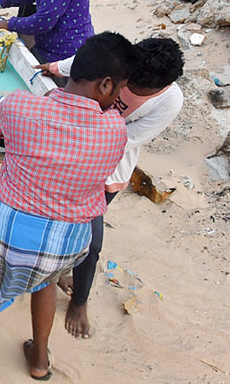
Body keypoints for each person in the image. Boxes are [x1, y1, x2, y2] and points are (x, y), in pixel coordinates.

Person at [0, 31, 138, 380]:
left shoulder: (20, 107)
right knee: (43, 282)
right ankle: (39, 359)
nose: (118, 100)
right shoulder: (115, 129)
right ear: (106, 85)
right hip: (66, 247)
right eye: (121, 90)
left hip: (11, 240)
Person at [39, 38, 185, 338]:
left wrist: (83, 139)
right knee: (53, 219)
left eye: (136, 90)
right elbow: (82, 65)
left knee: (90, 241)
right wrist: (53, 67)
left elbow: (130, 138)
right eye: (126, 84)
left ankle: (79, 300)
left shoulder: (170, 101)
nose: (127, 91)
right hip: (68, 152)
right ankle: (56, 271)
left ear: (160, 88)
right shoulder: (117, 61)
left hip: (106, 169)